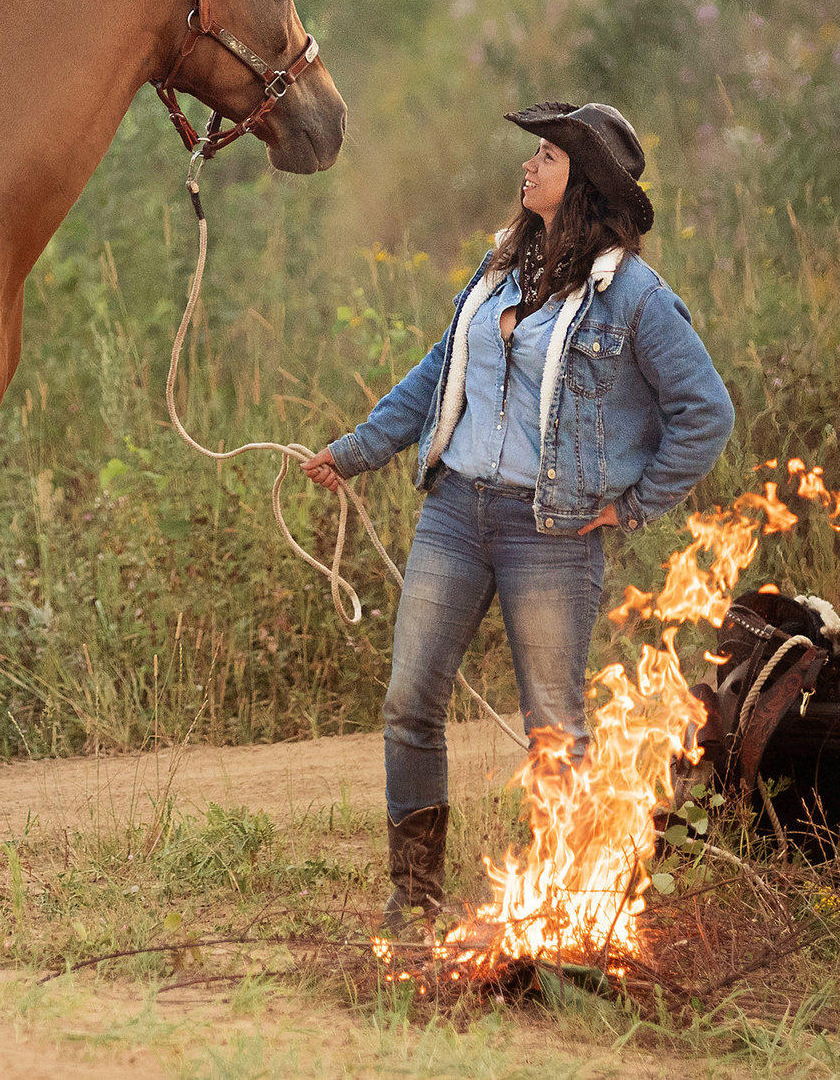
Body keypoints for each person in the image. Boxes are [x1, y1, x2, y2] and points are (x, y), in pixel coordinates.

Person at [299, 101, 733, 928]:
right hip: (457, 512)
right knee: (410, 699)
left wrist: (634, 506)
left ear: (584, 185)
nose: (527, 168)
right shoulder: (499, 268)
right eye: (532, 154)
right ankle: (415, 888)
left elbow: (705, 411)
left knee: (553, 729)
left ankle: (566, 903)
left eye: (546, 158)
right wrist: (357, 448)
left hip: (553, 534)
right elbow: (440, 371)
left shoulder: (633, 295)